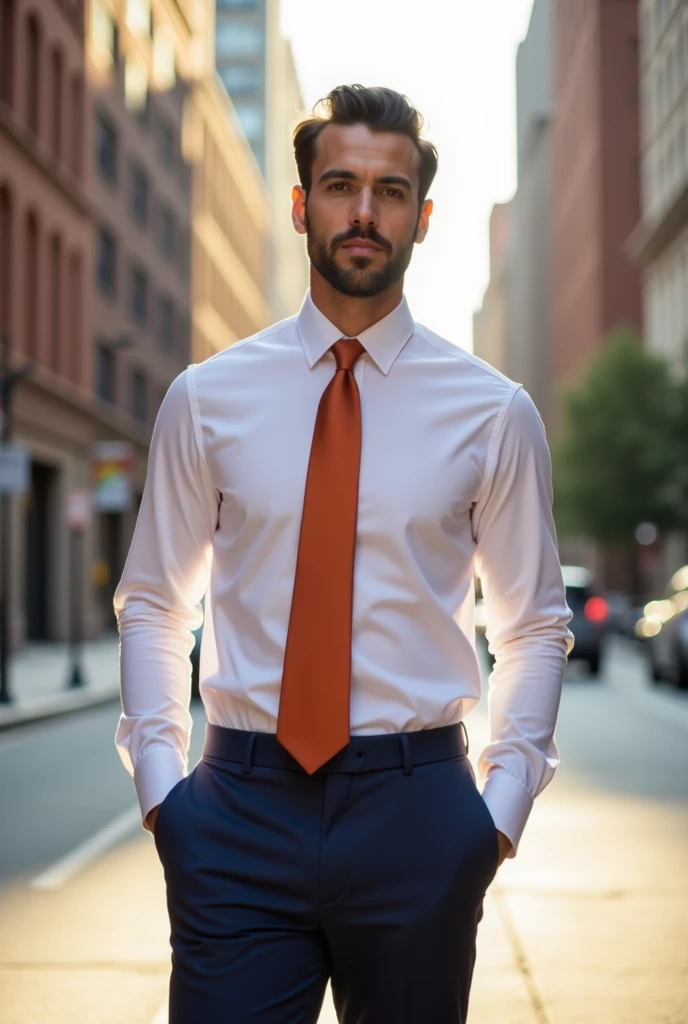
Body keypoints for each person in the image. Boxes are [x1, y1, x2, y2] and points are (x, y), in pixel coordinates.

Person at [114, 84, 574, 1024]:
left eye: (391, 191)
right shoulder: (206, 398)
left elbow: (534, 624)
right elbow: (158, 602)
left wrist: (496, 817)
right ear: (300, 205)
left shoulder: (494, 412)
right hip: (238, 811)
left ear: (422, 218)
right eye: (339, 184)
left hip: (420, 813)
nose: (364, 211)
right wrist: (165, 796)